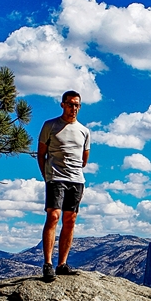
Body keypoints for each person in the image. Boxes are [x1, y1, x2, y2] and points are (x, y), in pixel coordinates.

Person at [37, 90, 91, 280]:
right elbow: (41, 154)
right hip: (55, 178)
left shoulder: (84, 131)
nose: (73, 108)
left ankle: (62, 264)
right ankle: (48, 264)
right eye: (70, 104)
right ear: (62, 105)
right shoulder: (50, 125)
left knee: (70, 220)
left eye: (77, 105)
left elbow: (84, 159)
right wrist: (47, 176)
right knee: (53, 216)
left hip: (76, 180)